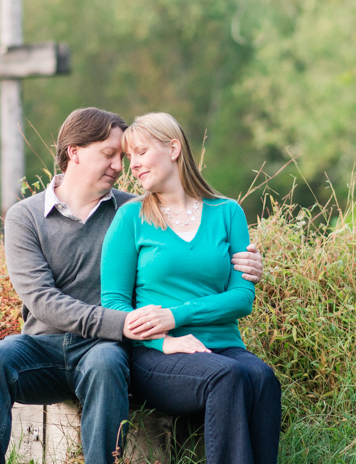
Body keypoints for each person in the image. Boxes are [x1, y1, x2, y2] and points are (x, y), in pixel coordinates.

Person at [0, 107, 265, 464]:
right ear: (74, 152)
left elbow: (188, 247)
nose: (120, 166)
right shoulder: (25, 217)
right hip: (42, 346)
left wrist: (247, 264)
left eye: (122, 157)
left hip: (103, 346)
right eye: (109, 154)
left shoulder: (133, 210)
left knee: (107, 362)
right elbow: (43, 301)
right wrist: (123, 324)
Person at [101, 112, 281, 464]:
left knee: (262, 377)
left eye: (139, 152)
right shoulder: (130, 218)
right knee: (225, 376)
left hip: (223, 345)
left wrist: (174, 315)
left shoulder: (227, 212)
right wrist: (163, 338)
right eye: (129, 157)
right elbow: (114, 303)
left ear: (173, 148)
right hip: (156, 356)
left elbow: (242, 298)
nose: (132, 165)